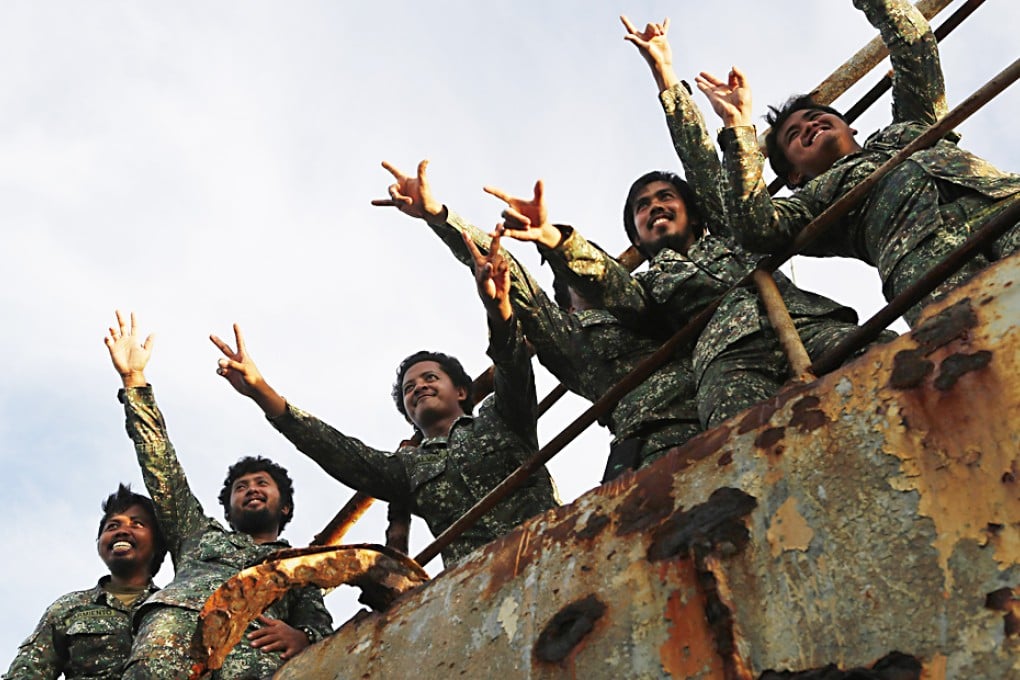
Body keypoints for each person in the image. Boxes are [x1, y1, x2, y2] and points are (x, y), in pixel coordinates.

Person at [493, 17, 892, 429]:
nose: (655, 207)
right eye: (642, 207)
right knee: (746, 453)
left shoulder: (731, 234)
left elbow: (700, 162)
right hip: (729, 368)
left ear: (695, 211)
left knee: (894, 371)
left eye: (666, 197)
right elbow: (607, 282)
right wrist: (554, 241)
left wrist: (664, 74)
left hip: (808, 324)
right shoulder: (646, 292)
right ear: (636, 234)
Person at [210, 229, 559, 568]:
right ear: (409, 413)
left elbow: (512, 365)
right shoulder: (406, 468)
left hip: (553, 547)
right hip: (479, 583)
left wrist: (499, 309)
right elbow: (334, 450)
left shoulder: (502, 418)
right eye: (409, 388)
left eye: (430, 378)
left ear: (462, 391)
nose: (418, 387)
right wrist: (261, 391)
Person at [372, 159, 701, 481]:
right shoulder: (571, 340)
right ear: (568, 305)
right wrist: (441, 217)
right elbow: (513, 278)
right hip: (658, 446)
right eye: (574, 277)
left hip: (724, 394)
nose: (588, 276)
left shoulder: (653, 289)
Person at [701, 0, 1020, 324]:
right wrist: (738, 126)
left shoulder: (911, 126)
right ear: (794, 174)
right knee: (984, 354)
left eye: (816, 117)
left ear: (849, 126)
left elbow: (915, 45)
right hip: (931, 268)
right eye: (794, 135)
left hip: (1006, 207)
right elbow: (754, 226)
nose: (810, 126)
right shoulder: (814, 204)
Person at [104, 311, 333, 680]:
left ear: (285, 506)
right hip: (164, 659)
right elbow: (162, 466)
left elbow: (317, 623)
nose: (252, 489)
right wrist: (135, 381)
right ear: (227, 510)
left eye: (262, 484)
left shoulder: (298, 567)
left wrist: (303, 637)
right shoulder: (196, 535)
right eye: (241, 487)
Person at [4, 485, 167, 679]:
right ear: (99, 543)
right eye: (112, 526)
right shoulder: (68, 608)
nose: (122, 531)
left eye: (136, 524)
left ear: (158, 542)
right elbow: (27, 673)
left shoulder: (173, 607)